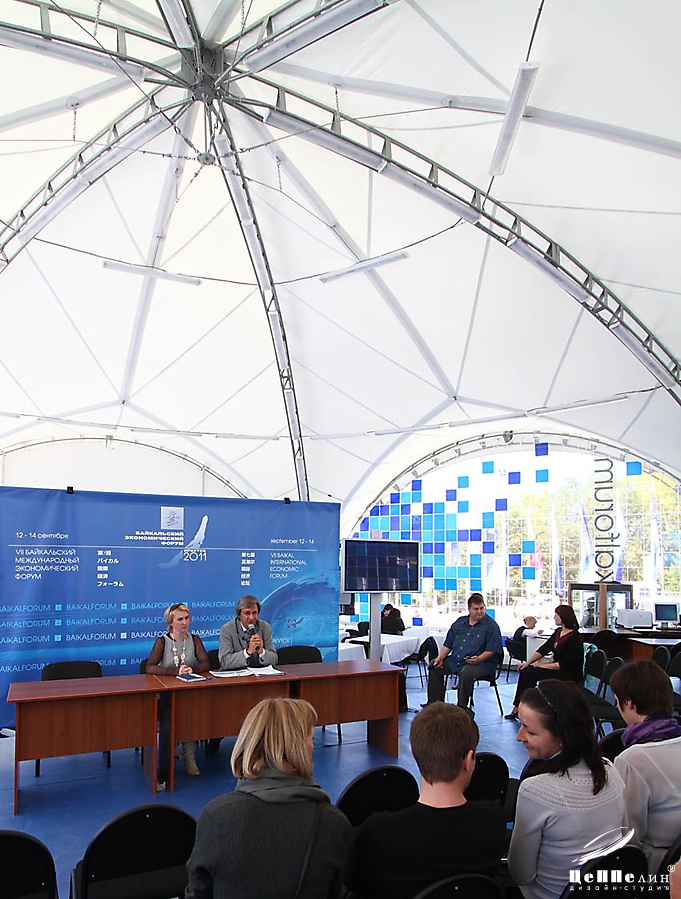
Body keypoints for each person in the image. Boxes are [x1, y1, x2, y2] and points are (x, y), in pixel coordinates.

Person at [185, 697, 352, 899]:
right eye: (311, 738)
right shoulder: (333, 822)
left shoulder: (218, 817)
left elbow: (198, 891)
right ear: (301, 748)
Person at [344, 703, 506, 899]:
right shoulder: (492, 821)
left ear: (414, 754)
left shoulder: (379, 832)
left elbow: (353, 882)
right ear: (469, 760)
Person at [507, 679, 627, 899]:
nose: (519, 736)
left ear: (563, 737)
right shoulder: (610, 770)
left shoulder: (535, 790)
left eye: (530, 732)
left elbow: (521, 875)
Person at [609, 659, 681, 870]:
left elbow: (628, 836)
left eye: (617, 701)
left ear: (629, 703)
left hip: (660, 864)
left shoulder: (632, 760)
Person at [146, 602, 210, 776]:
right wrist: (175, 672)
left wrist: (192, 669)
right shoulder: (162, 641)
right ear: (171, 622)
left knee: (191, 714)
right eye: (180, 619)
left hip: (189, 691)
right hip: (167, 693)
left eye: (187, 618)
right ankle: (170, 748)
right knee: (174, 713)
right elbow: (150, 667)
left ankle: (189, 755)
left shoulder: (194, 639)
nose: (184, 622)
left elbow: (205, 663)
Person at [425, 593, 503, 712]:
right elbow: (448, 643)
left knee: (467, 672)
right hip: (457, 660)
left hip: (482, 663)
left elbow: (492, 650)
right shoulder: (460, 623)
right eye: (476, 609)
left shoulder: (491, 626)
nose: (479, 611)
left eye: (482, 608)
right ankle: (435, 705)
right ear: (469, 609)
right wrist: (440, 657)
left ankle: (461, 708)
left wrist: (479, 659)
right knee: (434, 665)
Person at [506, 604, 583, 720]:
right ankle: (518, 705)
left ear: (563, 617)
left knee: (531, 673)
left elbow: (564, 664)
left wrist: (542, 665)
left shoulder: (575, 638)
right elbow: (544, 649)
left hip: (567, 673)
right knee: (526, 670)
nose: (554, 617)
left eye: (556, 615)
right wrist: (527, 663)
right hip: (557, 668)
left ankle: (523, 707)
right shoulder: (558, 632)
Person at [219, 595, 278, 670]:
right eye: (247, 613)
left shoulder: (265, 627)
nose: (251, 617)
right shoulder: (227, 629)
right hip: (237, 675)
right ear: (239, 614)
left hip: (260, 675)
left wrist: (262, 651)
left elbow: (274, 660)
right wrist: (247, 652)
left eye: (254, 613)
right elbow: (224, 662)